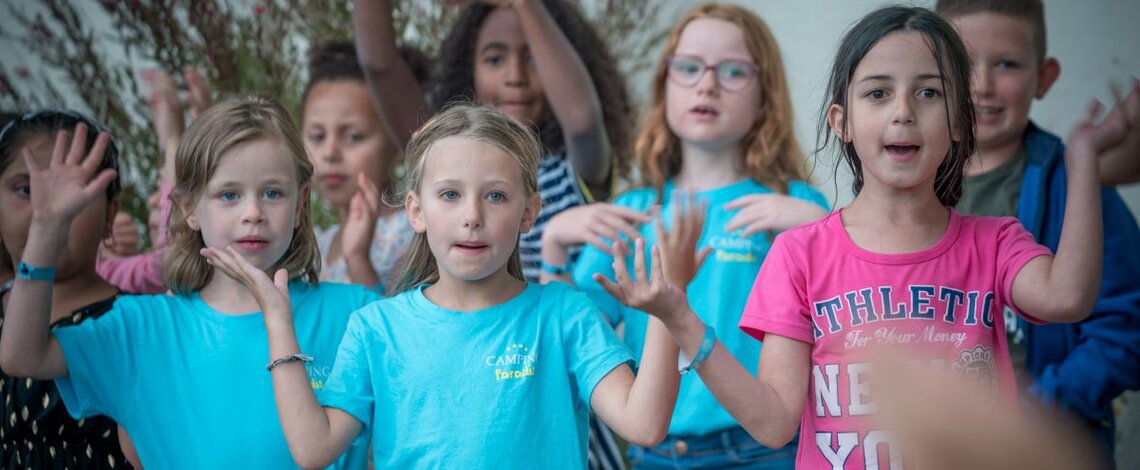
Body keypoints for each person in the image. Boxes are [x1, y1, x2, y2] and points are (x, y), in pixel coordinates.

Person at [623, 6, 1127, 468]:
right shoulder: (799, 253)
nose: (903, 110)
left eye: (929, 92)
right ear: (842, 122)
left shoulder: (994, 243)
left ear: (959, 121)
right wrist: (681, 319)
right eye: (878, 92)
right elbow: (774, 422)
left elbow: (1068, 298)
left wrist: (1082, 158)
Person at [207, 104, 683, 468]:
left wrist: (665, 314)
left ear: (529, 213)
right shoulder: (376, 327)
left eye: (495, 196)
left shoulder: (564, 316)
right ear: (416, 211)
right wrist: (277, 320)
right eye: (450, 195)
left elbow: (643, 425)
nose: (472, 217)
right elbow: (313, 450)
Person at [0, 96, 379, 469]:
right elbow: (22, 356)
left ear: (299, 204)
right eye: (229, 195)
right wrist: (46, 229)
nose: (253, 213)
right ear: (188, 209)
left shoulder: (357, 313)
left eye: (273, 193)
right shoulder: (142, 328)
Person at [560, 3, 829, 468]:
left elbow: (846, 316)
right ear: (665, 85)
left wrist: (820, 230)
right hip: (655, 453)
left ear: (766, 95)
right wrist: (554, 245)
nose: (707, 84)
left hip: (765, 452)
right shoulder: (632, 211)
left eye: (732, 71)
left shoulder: (796, 206)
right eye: (688, 68)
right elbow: (578, 338)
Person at [935, 1, 1140, 460]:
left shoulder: (1079, 186)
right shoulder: (907, 184)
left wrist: (1037, 410)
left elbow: (1128, 328)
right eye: (962, 63)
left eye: (1006, 64)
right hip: (932, 441)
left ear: (1044, 77)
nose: (982, 85)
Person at [0, 109, 134, 469]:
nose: (48, 207)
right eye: (26, 189)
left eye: (76, 192)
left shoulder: (134, 322)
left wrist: (46, 230)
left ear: (110, 214)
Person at [302, 42, 430, 289]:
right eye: (317, 136)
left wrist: (358, 261)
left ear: (396, 142)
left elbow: (401, 326)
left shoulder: (415, 231)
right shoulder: (321, 244)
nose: (330, 153)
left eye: (353, 136)